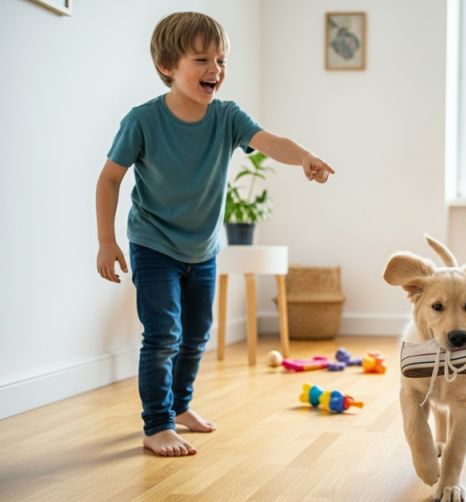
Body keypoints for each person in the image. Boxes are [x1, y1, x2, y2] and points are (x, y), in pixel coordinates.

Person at [95, 12, 335, 457]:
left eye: (221, 60)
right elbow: (109, 178)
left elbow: (269, 141)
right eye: (202, 59)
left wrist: (304, 155)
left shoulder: (226, 117)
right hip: (153, 243)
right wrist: (106, 241)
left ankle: (181, 406)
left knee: (197, 334)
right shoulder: (143, 121)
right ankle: (157, 424)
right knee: (164, 332)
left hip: (203, 248)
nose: (216, 71)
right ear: (168, 65)